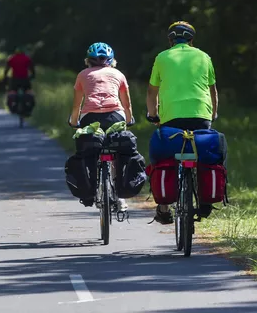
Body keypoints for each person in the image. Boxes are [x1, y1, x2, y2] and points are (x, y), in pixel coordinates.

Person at [146, 21, 219, 224]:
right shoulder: (204, 57)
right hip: (202, 116)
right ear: (192, 40)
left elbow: (152, 91)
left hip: (172, 119)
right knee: (210, 153)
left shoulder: (162, 57)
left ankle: (163, 208)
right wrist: (212, 114)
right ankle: (206, 201)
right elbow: (212, 90)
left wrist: (153, 115)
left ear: (170, 41)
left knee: (161, 156)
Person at [70, 42, 134, 210]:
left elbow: (77, 105)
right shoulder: (118, 74)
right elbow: (127, 104)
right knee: (118, 149)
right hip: (115, 115)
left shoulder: (82, 75)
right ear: (111, 60)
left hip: (90, 116)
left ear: (88, 60)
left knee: (89, 150)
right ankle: (120, 196)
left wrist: (73, 122)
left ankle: (90, 189)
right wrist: (129, 119)